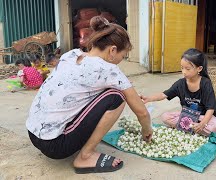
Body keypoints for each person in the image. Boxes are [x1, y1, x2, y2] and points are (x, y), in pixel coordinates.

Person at [26, 16, 153, 174]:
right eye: (123, 55)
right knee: (117, 96)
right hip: (54, 145)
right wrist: (147, 130)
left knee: (106, 93)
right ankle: (85, 156)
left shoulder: (70, 55)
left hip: (32, 132)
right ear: (112, 50)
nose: (122, 59)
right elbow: (141, 112)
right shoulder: (109, 70)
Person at [141, 48, 216, 136]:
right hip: (187, 117)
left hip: (203, 117)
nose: (183, 72)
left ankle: (189, 128)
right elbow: (164, 95)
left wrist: (202, 124)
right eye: (182, 68)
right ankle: (192, 128)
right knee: (165, 117)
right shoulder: (180, 84)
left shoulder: (205, 83)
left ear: (199, 69)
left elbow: (210, 109)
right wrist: (148, 98)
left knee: (215, 128)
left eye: (187, 69)